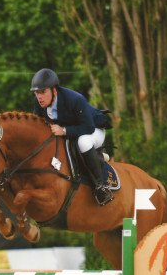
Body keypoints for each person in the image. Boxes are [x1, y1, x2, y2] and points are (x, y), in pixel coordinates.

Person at [30, 68, 113, 206]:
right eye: (36, 93)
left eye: (43, 92)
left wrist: (64, 130)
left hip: (94, 130)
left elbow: (88, 127)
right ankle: (97, 157)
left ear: (54, 90)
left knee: (83, 142)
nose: (39, 97)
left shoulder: (75, 99)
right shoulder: (39, 105)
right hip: (74, 131)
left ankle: (100, 187)